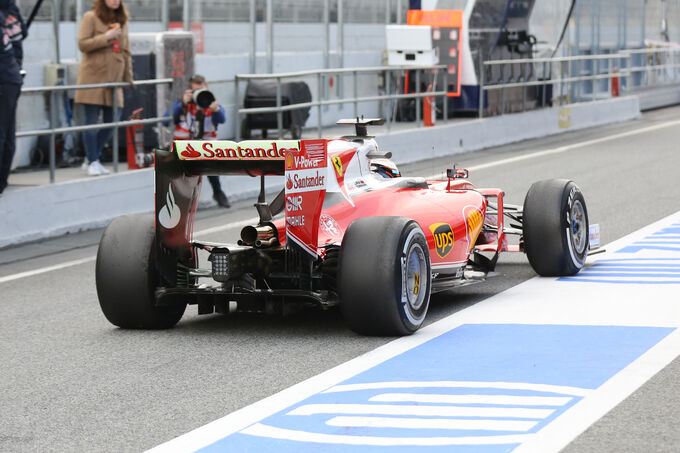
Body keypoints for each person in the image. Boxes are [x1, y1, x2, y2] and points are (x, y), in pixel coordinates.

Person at [75, 0, 133, 176]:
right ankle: (93, 160)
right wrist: (106, 37)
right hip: (94, 77)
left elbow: (126, 51)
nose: (115, 1)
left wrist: (128, 77)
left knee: (113, 120)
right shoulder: (90, 17)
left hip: (115, 80)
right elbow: (83, 44)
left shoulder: (122, 20)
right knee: (91, 122)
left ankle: (91, 156)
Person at [173, 74, 230, 208]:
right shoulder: (183, 104)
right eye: (195, 92)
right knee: (184, 172)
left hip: (206, 146)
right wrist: (182, 103)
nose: (199, 96)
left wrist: (215, 109)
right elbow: (168, 118)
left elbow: (222, 119)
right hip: (185, 145)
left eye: (202, 91)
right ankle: (183, 200)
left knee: (210, 163)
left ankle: (218, 192)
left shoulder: (211, 103)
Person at [0, 0, 26, 196]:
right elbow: (21, 33)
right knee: (7, 132)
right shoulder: (10, 9)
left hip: (6, 76)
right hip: (12, 75)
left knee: (4, 132)